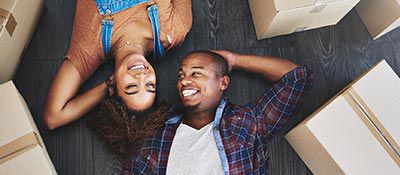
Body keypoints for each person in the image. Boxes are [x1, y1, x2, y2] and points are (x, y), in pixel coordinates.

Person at [131, 50, 314, 174]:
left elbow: (298, 79)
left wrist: (235, 60)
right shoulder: (156, 131)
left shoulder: (246, 122)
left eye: (196, 73)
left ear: (223, 83)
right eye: (181, 75)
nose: (184, 81)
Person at [44, 0, 192, 130]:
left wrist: (106, 86)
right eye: (150, 85)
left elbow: (54, 117)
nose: (141, 77)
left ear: (115, 88)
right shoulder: (174, 29)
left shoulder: (89, 48)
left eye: (131, 87)